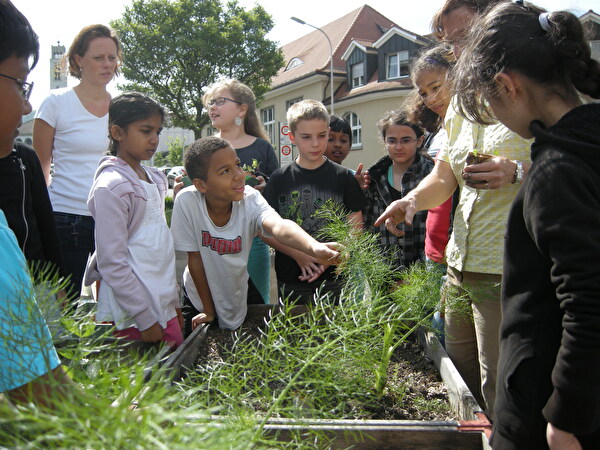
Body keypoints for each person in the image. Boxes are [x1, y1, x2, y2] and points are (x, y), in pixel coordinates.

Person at [453, 2, 600, 448]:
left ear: (505, 85)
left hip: (548, 414)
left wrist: (566, 417)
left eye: (488, 101)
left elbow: (589, 302)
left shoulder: (557, 170)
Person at [375, 0, 531, 418]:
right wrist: (409, 201)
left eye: (463, 37)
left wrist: (516, 170)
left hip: (509, 266)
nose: (457, 51)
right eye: (450, 40)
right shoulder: (463, 104)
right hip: (460, 265)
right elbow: (444, 179)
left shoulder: (533, 87)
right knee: (459, 378)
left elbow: (579, 159)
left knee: (501, 382)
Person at [170, 136, 340, 334]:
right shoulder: (187, 202)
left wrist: (314, 247)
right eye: (225, 171)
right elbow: (195, 260)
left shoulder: (250, 198)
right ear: (201, 185)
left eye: (237, 165)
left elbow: (279, 226)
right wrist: (208, 310)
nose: (239, 175)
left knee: (257, 341)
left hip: (238, 289)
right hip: (199, 294)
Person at [0, 0, 72, 407]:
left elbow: (45, 226)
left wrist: (57, 284)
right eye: (19, 84)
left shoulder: (23, 161)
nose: (27, 104)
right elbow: (51, 403)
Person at [85, 93, 183, 349]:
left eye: (158, 131)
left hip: (163, 306)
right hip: (131, 316)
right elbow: (112, 263)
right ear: (117, 132)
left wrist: (173, 303)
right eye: (145, 130)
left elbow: (160, 250)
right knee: (144, 385)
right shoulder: (111, 187)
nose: (154, 139)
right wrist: (144, 317)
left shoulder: (157, 179)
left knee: (176, 375)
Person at [33, 24, 123, 302]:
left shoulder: (122, 107)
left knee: (115, 305)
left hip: (111, 217)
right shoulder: (55, 103)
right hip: (64, 217)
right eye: (99, 57)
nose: (107, 64)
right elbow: (38, 170)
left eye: (112, 57)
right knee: (62, 307)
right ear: (77, 60)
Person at [263, 100, 366, 305]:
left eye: (321, 136)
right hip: (291, 276)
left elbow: (356, 228)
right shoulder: (278, 179)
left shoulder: (344, 177)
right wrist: (301, 254)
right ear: (292, 137)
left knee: (336, 332)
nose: (316, 143)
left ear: (328, 133)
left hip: (335, 277)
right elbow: (265, 231)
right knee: (296, 334)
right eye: (306, 137)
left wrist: (330, 258)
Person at [202, 79, 278, 305]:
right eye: (211, 103)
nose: (213, 107)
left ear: (242, 109)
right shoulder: (204, 148)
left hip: (254, 241)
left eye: (220, 101)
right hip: (214, 242)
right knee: (219, 306)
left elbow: (278, 194)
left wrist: (267, 188)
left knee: (256, 307)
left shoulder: (262, 147)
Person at [362, 110, 433, 270]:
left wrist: (419, 273)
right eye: (392, 141)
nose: (398, 147)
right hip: (383, 273)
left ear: (420, 140)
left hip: (424, 275)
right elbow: (367, 228)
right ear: (384, 141)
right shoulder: (373, 177)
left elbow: (442, 227)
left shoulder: (432, 176)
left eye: (406, 140)